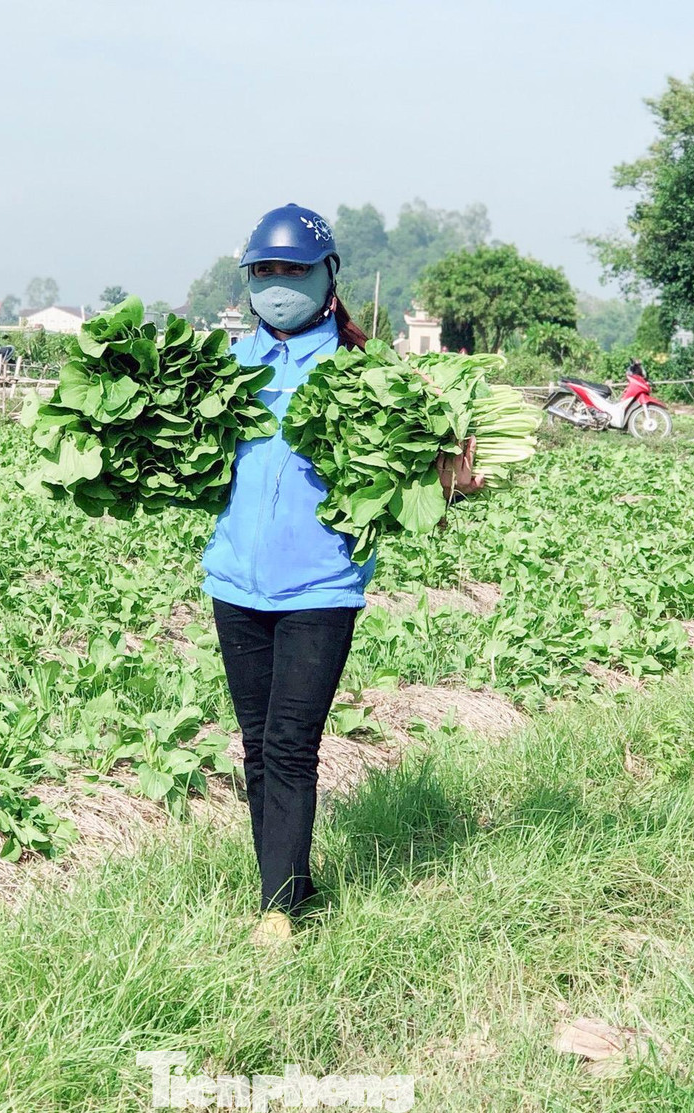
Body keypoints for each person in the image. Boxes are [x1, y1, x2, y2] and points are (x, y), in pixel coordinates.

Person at [201, 204, 483, 947]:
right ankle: (293, 886)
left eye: (293, 270)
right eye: (264, 271)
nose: (277, 285)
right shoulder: (225, 369)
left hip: (322, 585)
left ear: (327, 277)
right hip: (234, 582)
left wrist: (453, 483)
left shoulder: (370, 374)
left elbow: (419, 483)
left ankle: (277, 912)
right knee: (256, 746)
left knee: (291, 743)